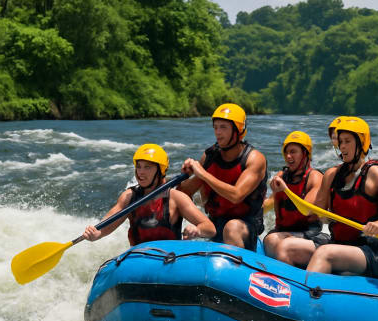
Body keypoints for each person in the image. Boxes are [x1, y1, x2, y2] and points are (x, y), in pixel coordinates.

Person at [272, 117, 378, 278]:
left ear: (361, 142)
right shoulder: (331, 175)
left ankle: (306, 296)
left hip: (374, 252)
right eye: (340, 142)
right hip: (339, 243)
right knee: (285, 247)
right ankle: (287, 292)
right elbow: (310, 211)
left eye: (347, 141)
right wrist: (286, 191)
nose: (342, 146)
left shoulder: (375, 173)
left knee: (325, 253)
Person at [82, 144, 216, 245]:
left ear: (160, 170)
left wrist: (197, 230)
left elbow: (210, 228)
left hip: (168, 259)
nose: (141, 172)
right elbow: (106, 225)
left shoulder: (176, 198)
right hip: (139, 258)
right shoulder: (129, 197)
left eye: (147, 167)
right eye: (138, 166)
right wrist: (96, 234)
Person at [180, 103, 268, 252]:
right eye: (215, 127)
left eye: (223, 127)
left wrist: (203, 174)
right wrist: (186, 176)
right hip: (214, 224)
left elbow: (236, 195)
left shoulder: (255, 159)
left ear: (238, 130)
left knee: (231, 228)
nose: (218, 132)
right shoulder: (209, 156)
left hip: (245, 225)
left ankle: (238, 268)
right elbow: (183, 194)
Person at [263, 131, 328, 266]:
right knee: (270, 240)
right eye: (286, 152)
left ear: (305, 154)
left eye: (293, 152)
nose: (288, 156)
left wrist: (285, 190)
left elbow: (306, 209)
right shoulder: (282, 176)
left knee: (278, 242)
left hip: (310, 234)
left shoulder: (315, 177)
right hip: (283, 232)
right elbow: (269, 203)